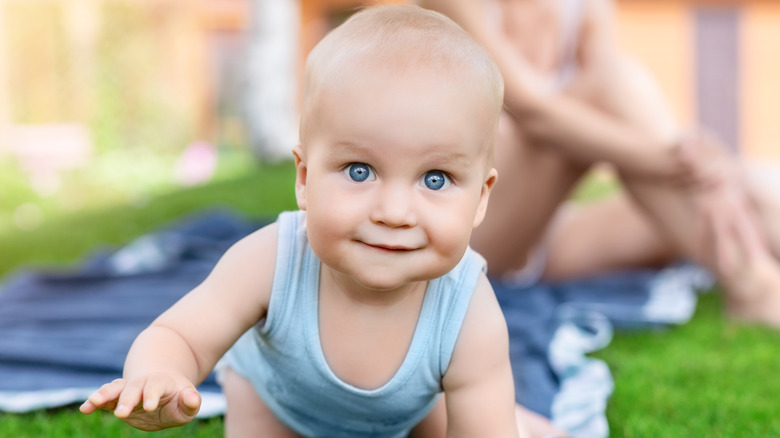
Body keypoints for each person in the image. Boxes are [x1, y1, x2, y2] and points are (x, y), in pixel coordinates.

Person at [78, 5, 546, 437]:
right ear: (304, 178)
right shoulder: (272, 260)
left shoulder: (468, 312)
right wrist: (158, 373)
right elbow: (178, 334)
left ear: (481, 196)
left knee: (476, 416)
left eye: (436, 179)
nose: (394, 213)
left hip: (408, 410)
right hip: (274, 405)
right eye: (360, 171)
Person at [419, 0, 780, 326]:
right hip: (472, 231)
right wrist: (676, 163)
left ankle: (756, 269)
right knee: (614, 84)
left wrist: (707, 173)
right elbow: (533, 112)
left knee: (746, 181)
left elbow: (621, 113)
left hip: (547, 238)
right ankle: (754, 285)